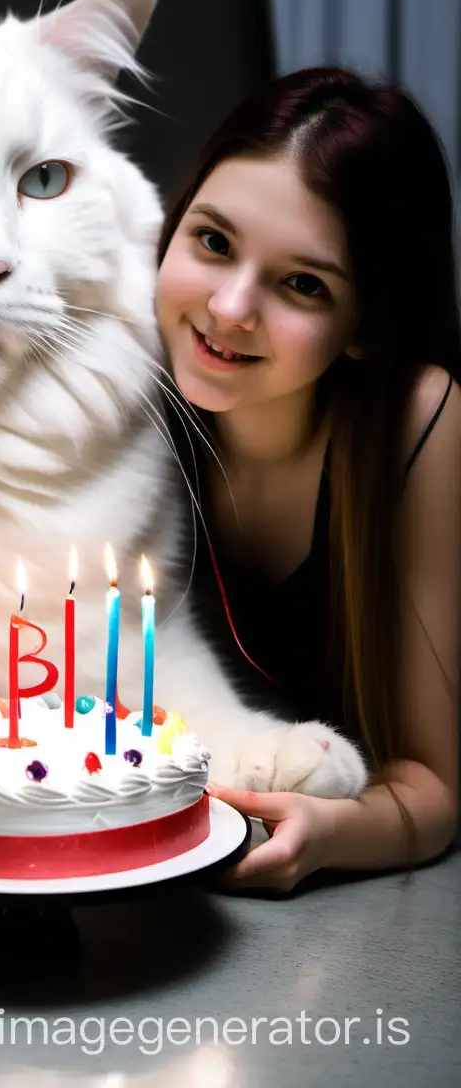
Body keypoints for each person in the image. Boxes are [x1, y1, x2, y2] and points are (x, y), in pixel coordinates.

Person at [154, 66, 460, 891]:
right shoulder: (123, 385)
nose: (228, 308)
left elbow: (432, 789)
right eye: (212, 242)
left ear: (366, 325)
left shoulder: (416, 419)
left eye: (302, 284)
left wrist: (324, 836)